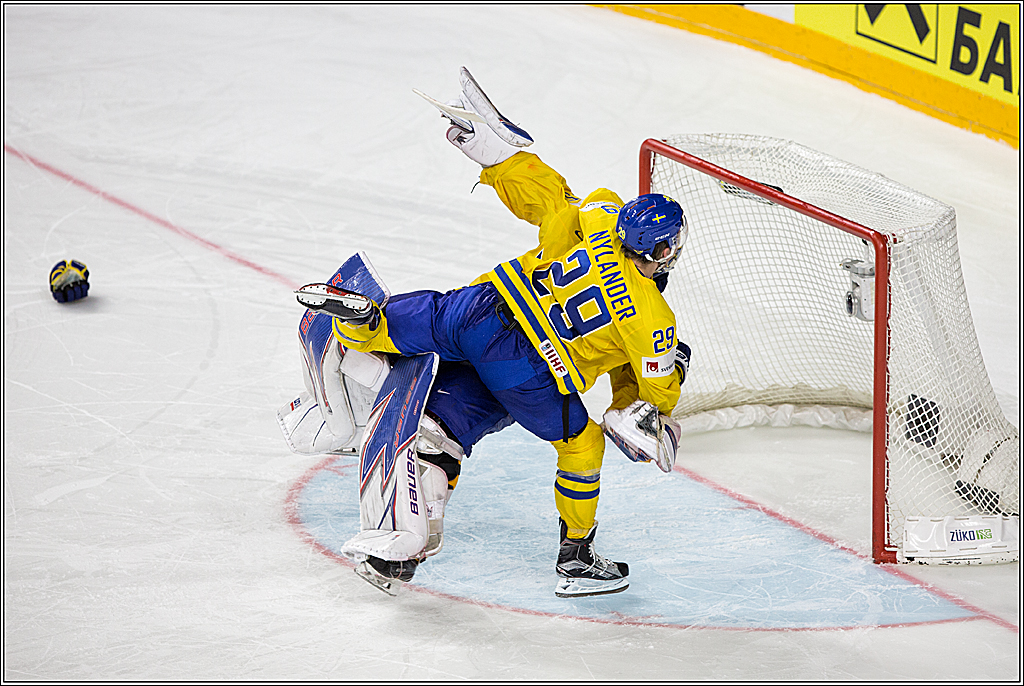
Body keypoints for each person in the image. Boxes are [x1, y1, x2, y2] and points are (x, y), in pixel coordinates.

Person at [300, 70, 691, 598]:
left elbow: (551, 199)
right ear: (666, 251)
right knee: (581, 442)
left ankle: (363, 329)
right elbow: (652, 394)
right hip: (528, 365)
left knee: (426, 355)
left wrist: (498, 158)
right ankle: (575, 558)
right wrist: (656, 395)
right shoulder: (653, 321)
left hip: (484, 307)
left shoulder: (600, 219)